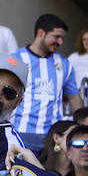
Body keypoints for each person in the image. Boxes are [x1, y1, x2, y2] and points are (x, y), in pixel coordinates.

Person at [11, 14, 79, 151]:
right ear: (41, 33)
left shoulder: (64, 64)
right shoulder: (15, 59)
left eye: (62, 38)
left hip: (53, 137)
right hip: (20, 133)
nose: (60, 42)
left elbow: (74, 97)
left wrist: (80, 128)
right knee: (21, 173)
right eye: (56, 36)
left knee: (51, 173)